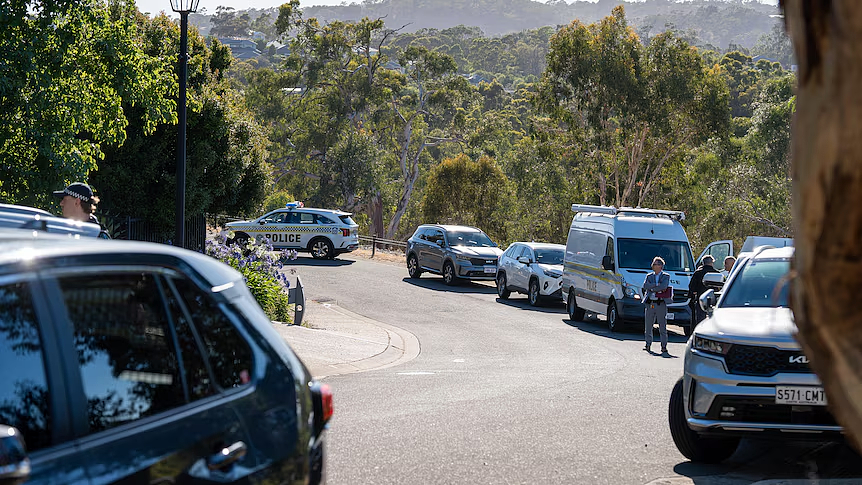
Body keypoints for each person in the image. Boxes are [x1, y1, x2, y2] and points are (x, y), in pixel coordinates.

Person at [642, 256, 672, 354]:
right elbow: (645, 286)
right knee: (648, 325)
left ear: (661, 266)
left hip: (661, 303)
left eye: (658, 264)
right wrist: (657, 286)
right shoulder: (649, 276)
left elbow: (664, 286)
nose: (655, 266)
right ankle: (648, 344)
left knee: (662, 326)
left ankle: (664, 346)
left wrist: (653, 287)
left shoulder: (666, 276)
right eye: (654, 264)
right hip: (650, 303)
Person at [689, 255, 719, 325]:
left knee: (700, 319)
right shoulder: (716, 273)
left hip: (700, 299)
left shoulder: (698, 273)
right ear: (712, 262)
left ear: (703, 263)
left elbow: (691, 287)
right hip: (713, 300)